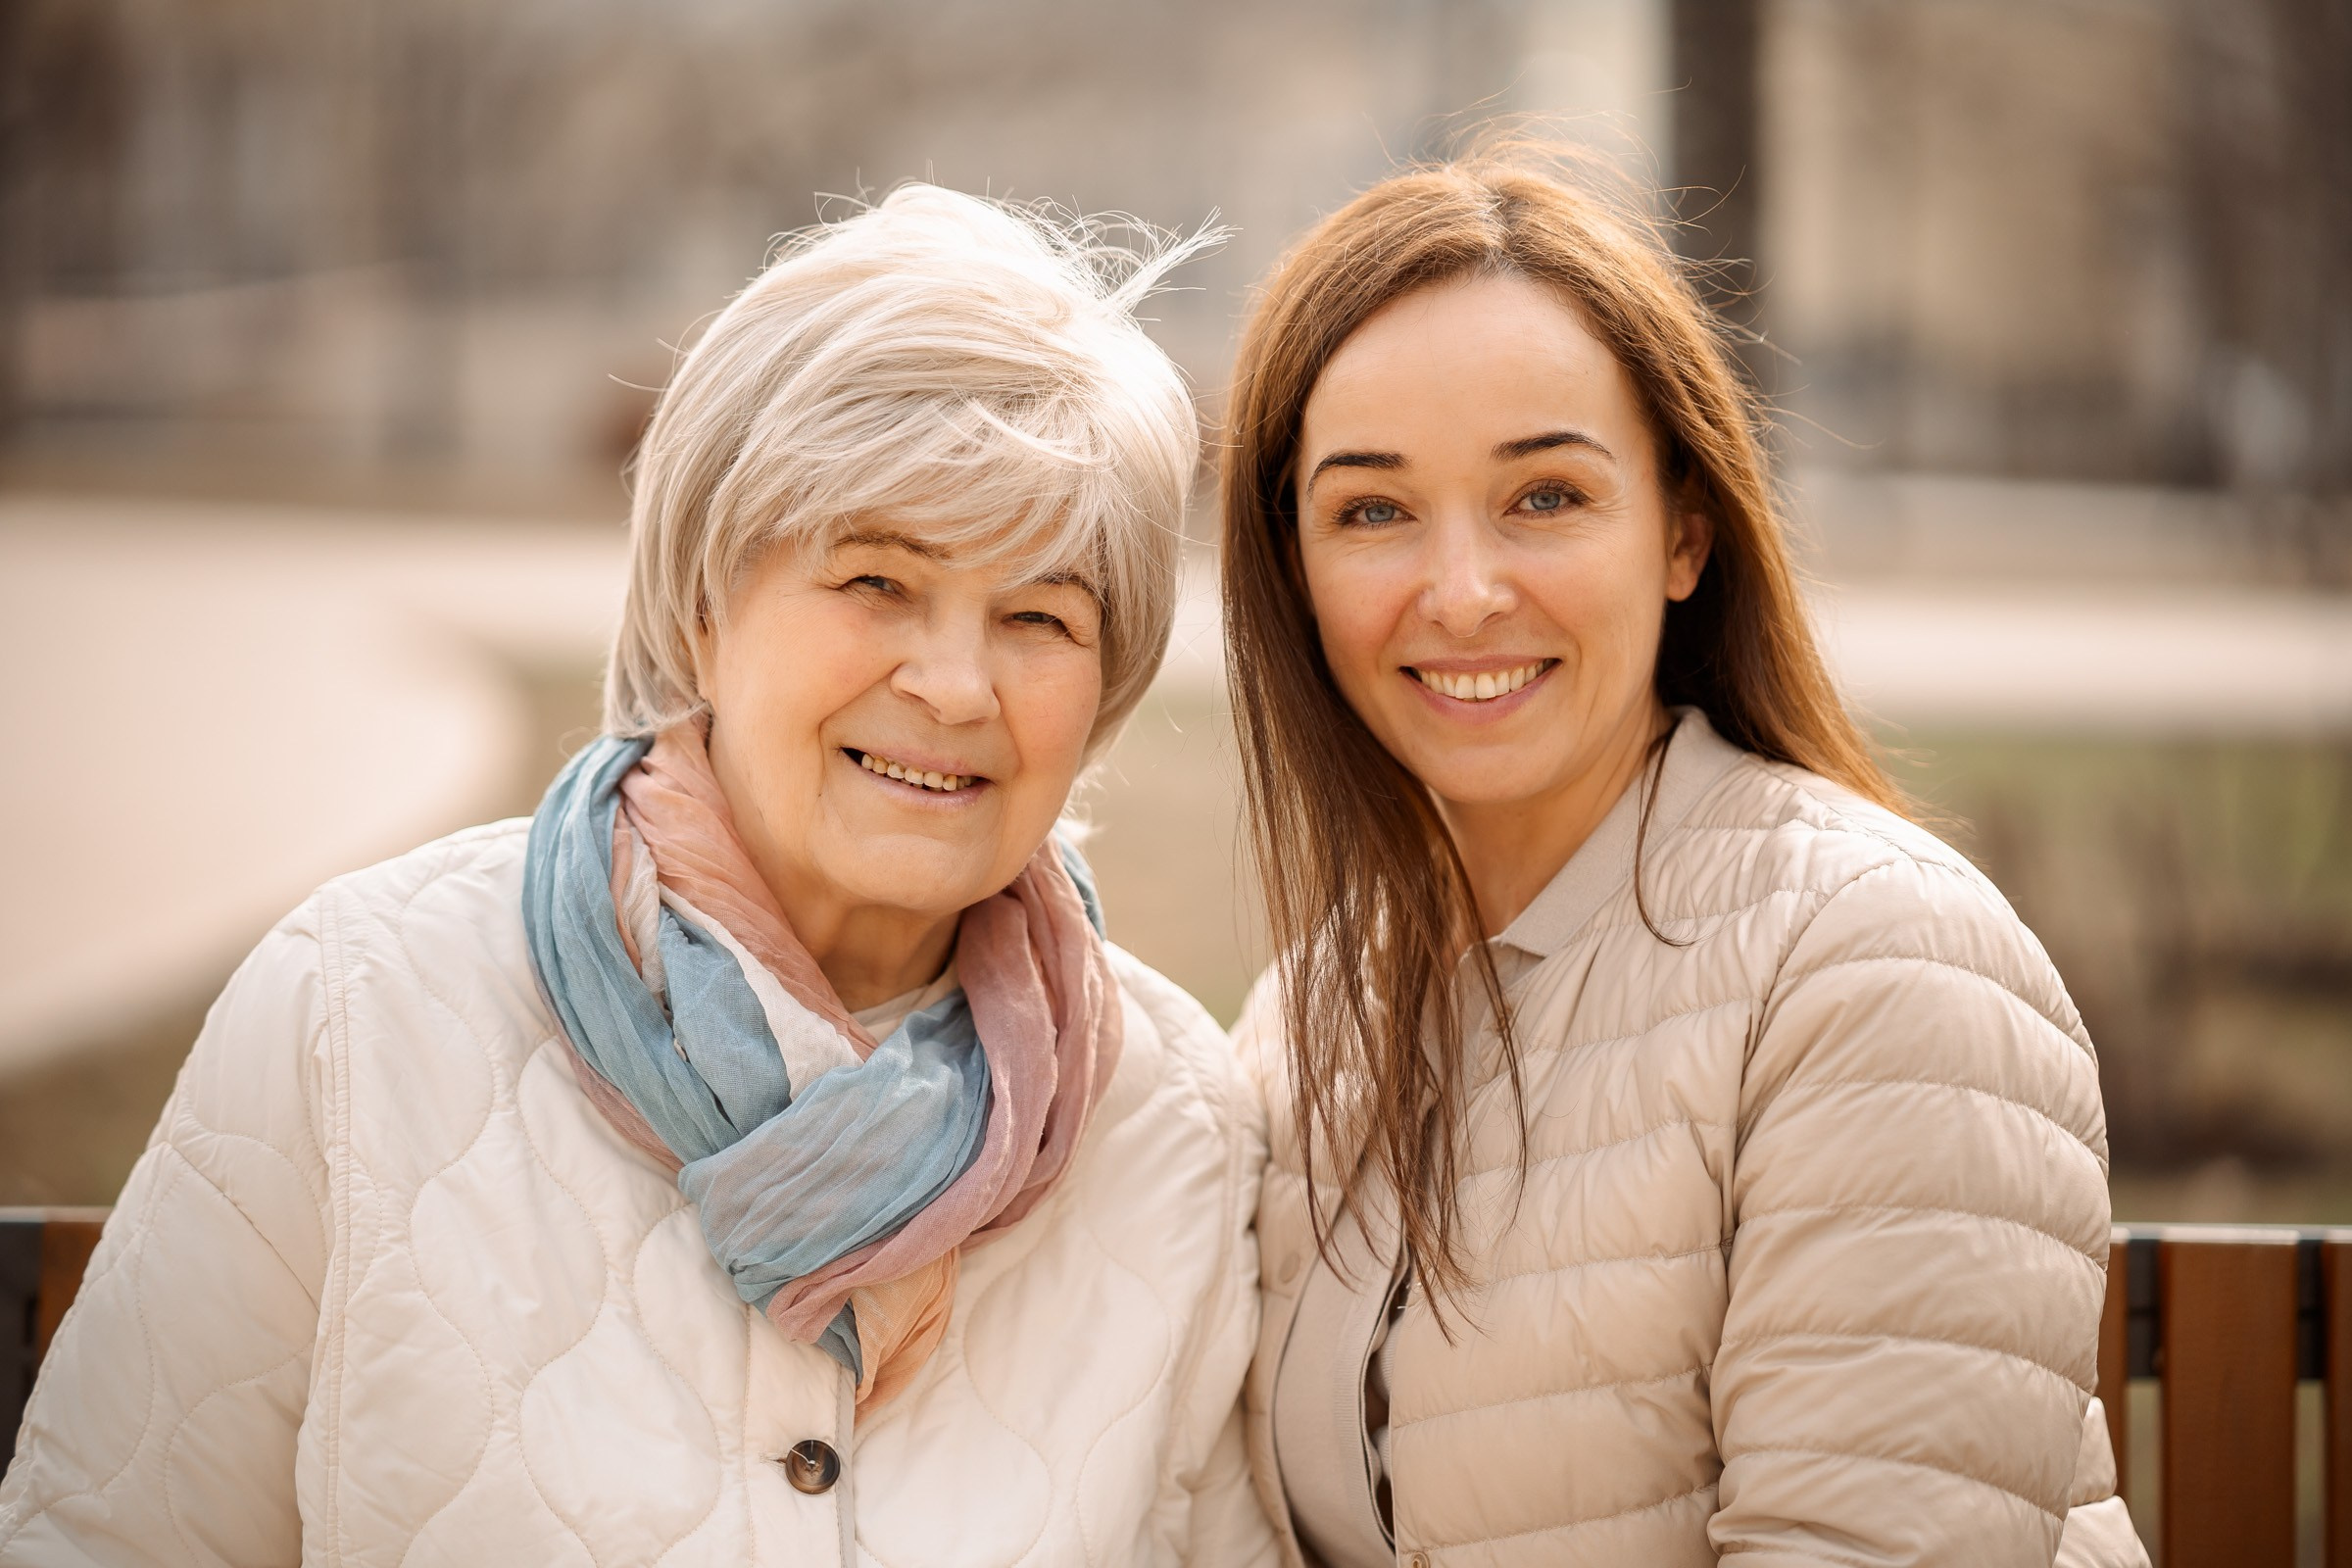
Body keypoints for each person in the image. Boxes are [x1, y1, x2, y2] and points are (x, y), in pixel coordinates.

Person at [0, 186, 1277, 1568]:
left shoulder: (1172, 1123)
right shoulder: (359, 1009)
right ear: (702, 601)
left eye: (1040, 616)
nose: (957, 684)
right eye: (876, 583)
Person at [1218, 147, 2146, 1567]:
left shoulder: (1870, 961)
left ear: (1684, 535)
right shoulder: (1306, 1018)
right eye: (1373, 510)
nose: (1461, 591)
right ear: (1293, 569)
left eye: (1544, 497)